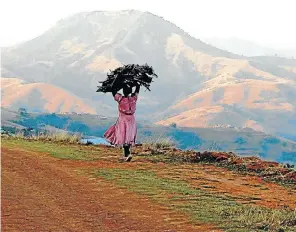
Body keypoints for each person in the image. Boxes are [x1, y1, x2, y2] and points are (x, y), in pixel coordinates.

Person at [104, 83, 140, 161]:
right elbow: (137, 91)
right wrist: (137, 84)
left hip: (123, 120)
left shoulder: (120, 99)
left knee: (123, 136)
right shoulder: (133, 99)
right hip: (131, 120)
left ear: (123, 91)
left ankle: (127, 154)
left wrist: (118, 80)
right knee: (129, 136)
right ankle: (127, 154)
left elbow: (113, 90)